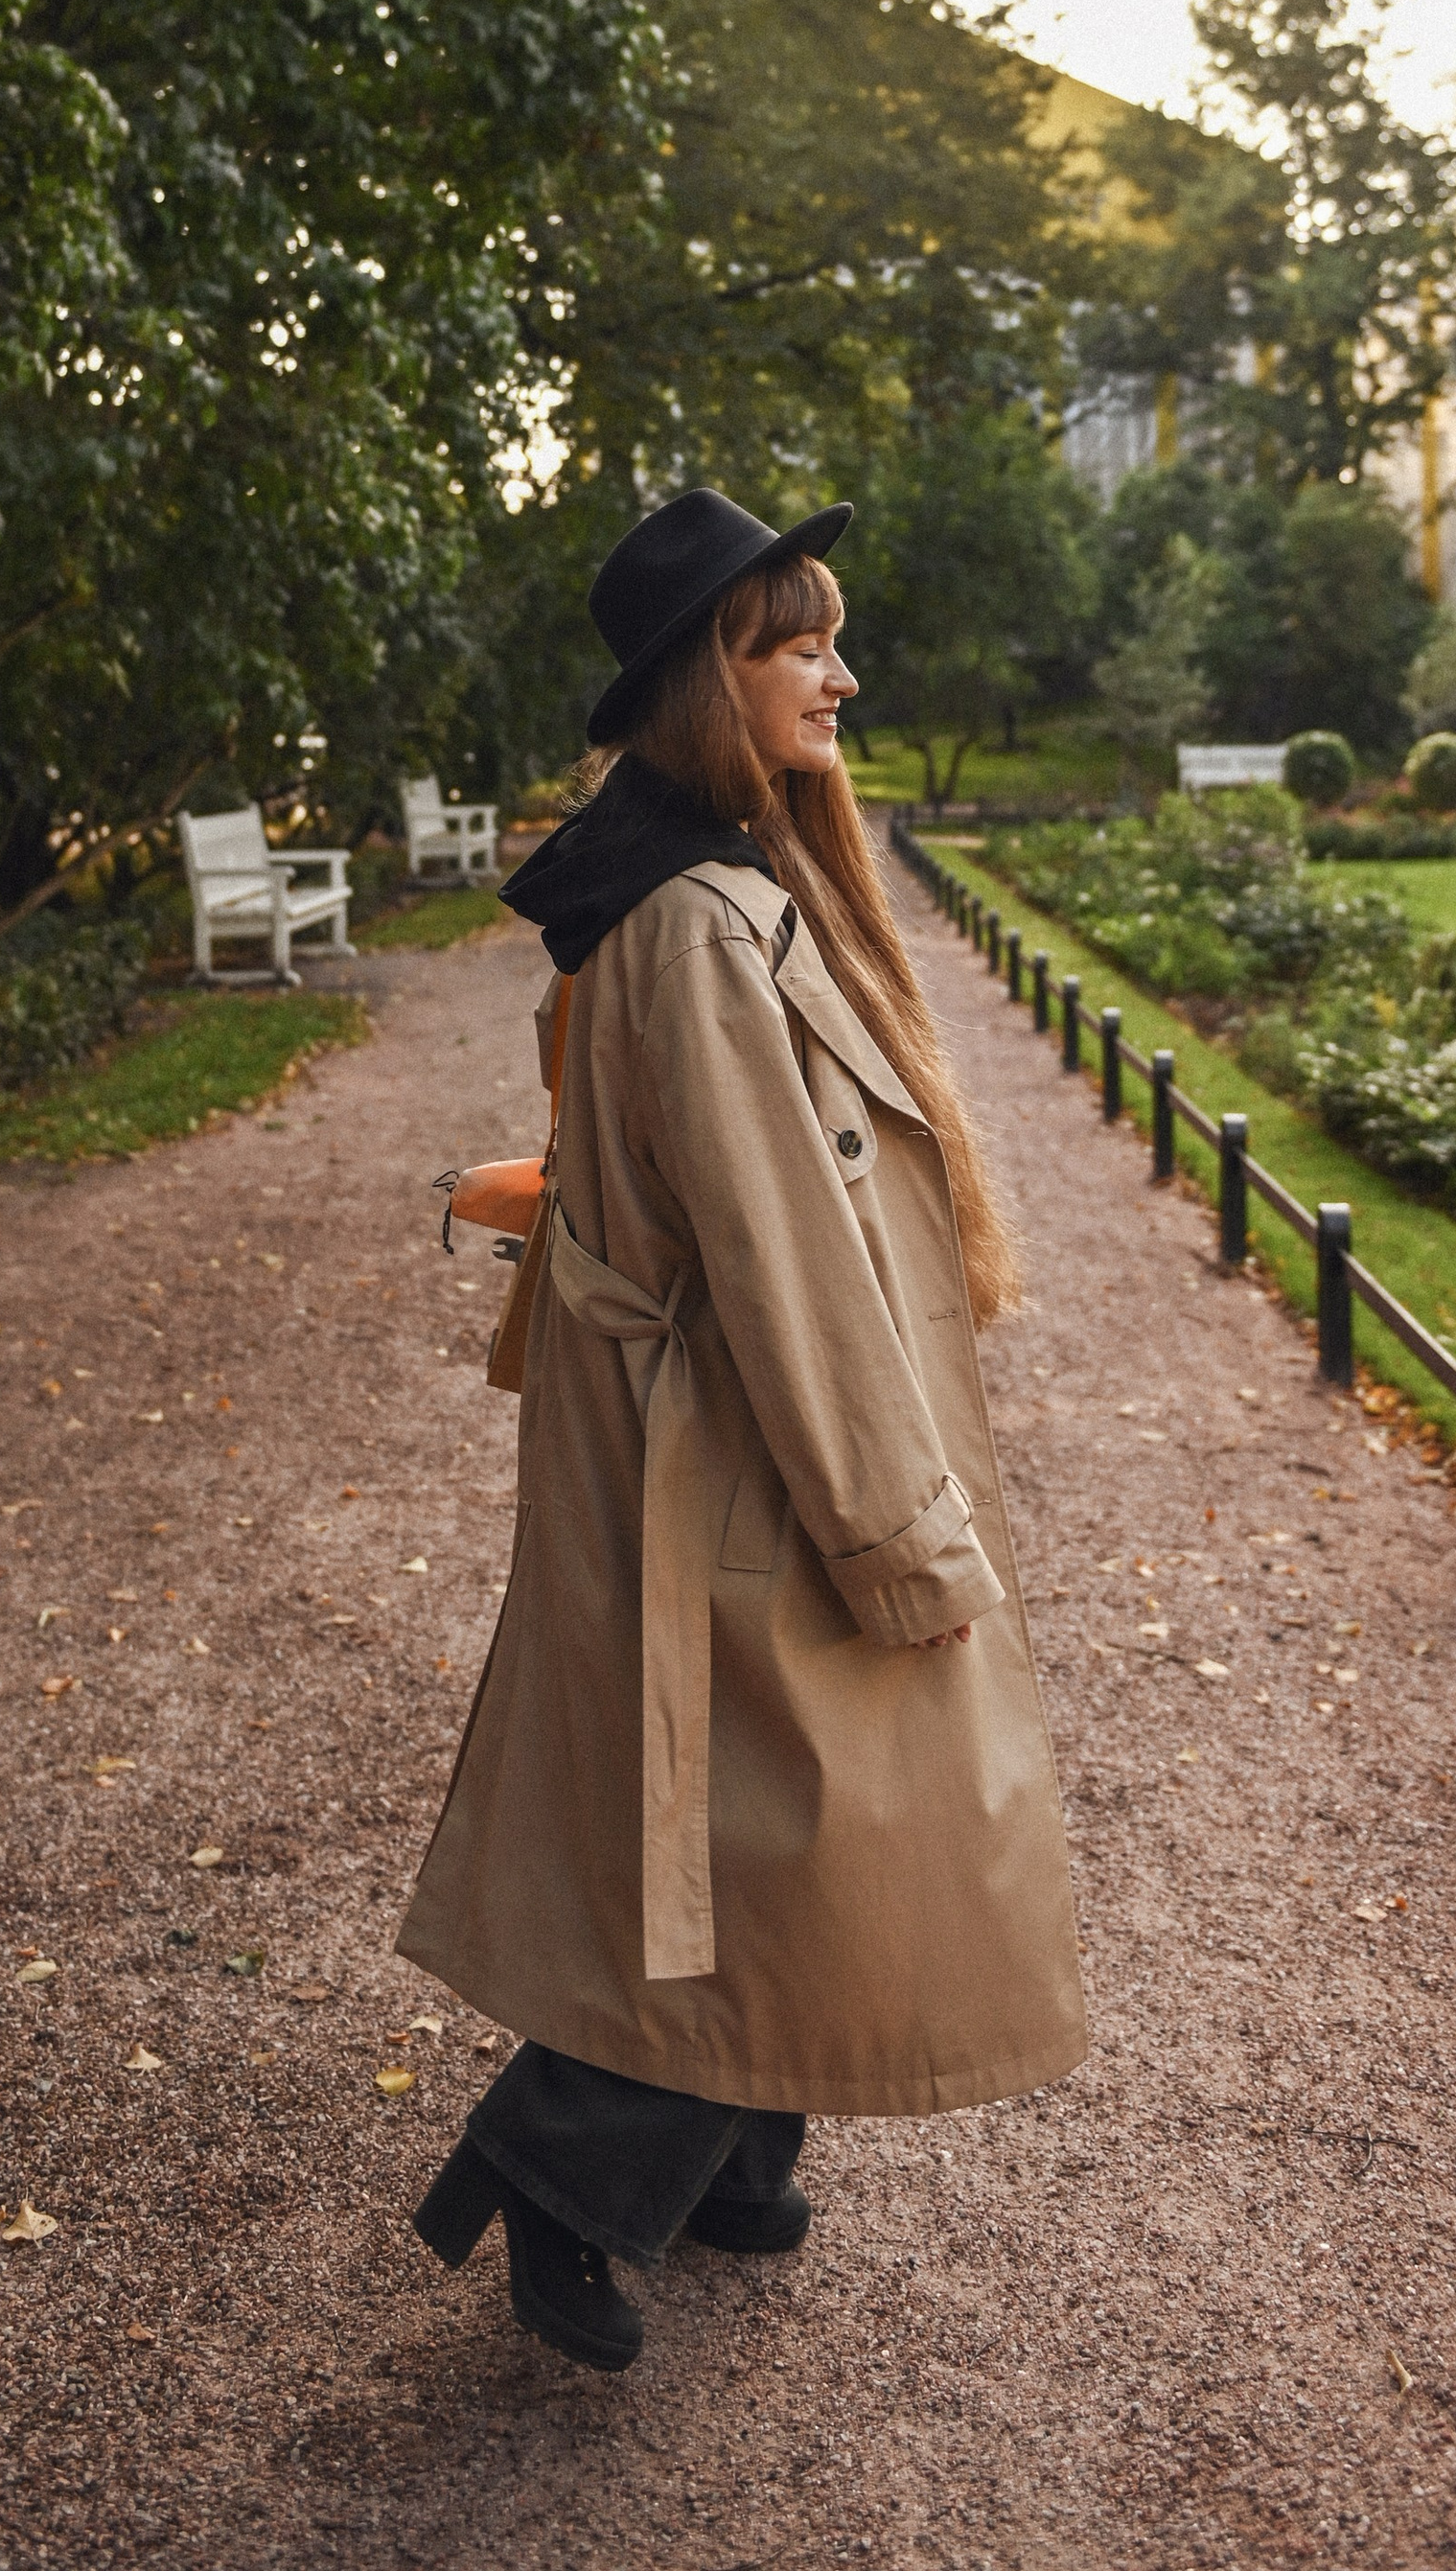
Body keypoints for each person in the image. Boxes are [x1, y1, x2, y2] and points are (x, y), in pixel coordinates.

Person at [397, 485, 1082, 2371]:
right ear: (721, 669)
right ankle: (559, 2174)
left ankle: (731, 2153)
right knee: (770, 1822)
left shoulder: (696, 883)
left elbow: (677, 1186)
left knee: (770, 1817)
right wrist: (898, 1534)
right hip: (743, 1444)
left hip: (704, 1427)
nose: (841, 674)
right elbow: (780, 1258)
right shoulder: (695, 919)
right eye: (803, 644)